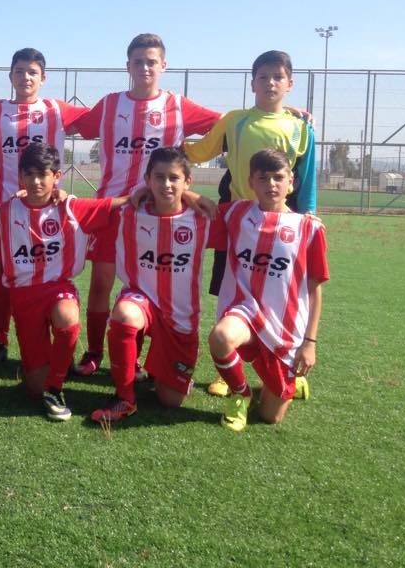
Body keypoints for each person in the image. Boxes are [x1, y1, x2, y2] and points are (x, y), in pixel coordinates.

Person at [72, 33, 221, 378]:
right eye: (138, 61)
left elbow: (229, 123)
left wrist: (280, 112)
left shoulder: (178, 106)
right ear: (128, 66)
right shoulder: (110, 105)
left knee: (149, 286)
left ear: (163, 65)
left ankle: (136, 357)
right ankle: (94, 352)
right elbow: (73, 121)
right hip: (114, 208)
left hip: (156, 214)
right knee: (101, 283)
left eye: (151, 61)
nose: (145, 67)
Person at [184, 49, 317, 396]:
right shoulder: (235, 120)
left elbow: (305, 176)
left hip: (282, 228)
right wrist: (167, 142)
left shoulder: (300, 127)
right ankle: (228, 370)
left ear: (289, 83)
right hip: (238, 223)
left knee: (285, 297)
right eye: (263, 77)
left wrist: (308, 213)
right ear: (252, 82)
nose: (270, 82)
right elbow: (200, 151)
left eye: (278, 77)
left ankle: (290, 364)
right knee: (227, 291)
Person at [0, 143, 127, 421]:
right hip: (23, 297)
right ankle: (52, 363)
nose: (36, 181)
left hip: (58, 287)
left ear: (57, 176)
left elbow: (115, 204)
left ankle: (55, 387)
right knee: (33, 388)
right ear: (20, 176)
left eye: (43, 175)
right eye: (29, 174)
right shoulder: (4, 212)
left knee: (67, 318)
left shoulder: (70, 206)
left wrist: (176, 195)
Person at [0, 47, 92, 369]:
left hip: (47, 208)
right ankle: (0, 341)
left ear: (43, 78)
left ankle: (59, 338)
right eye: (20, 71)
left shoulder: (56, 110)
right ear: (10, 76)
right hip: (5, 209)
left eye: (32, 72)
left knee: (48, 272)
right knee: (4, 276)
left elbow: (97, 122)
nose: (26, 77)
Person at [89, 147, 224, 423]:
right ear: (147, 180)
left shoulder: (203, 217)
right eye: (159, 177)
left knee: (170, 401)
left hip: (180, 317)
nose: (166, 184)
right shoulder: (128, 213)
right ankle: (125, 398)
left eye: (174, 178)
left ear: (188, 181)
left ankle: (159, 369)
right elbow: (79, 209)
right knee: (124, 315)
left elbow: (253, 218)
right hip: (141, 301)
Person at [207, 148, 328, 431]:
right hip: (245, 312)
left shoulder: (308, 228)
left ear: (291, 182)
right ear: (251, 182)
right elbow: (197, 207)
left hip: (284, 328)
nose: (271, 184)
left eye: (278, 177)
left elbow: (314, 290)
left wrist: (310, 343)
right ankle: (240, 394)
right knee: (221, 337)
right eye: (263, 178)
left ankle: (292, 381)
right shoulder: (236, 213)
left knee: (270, 416)